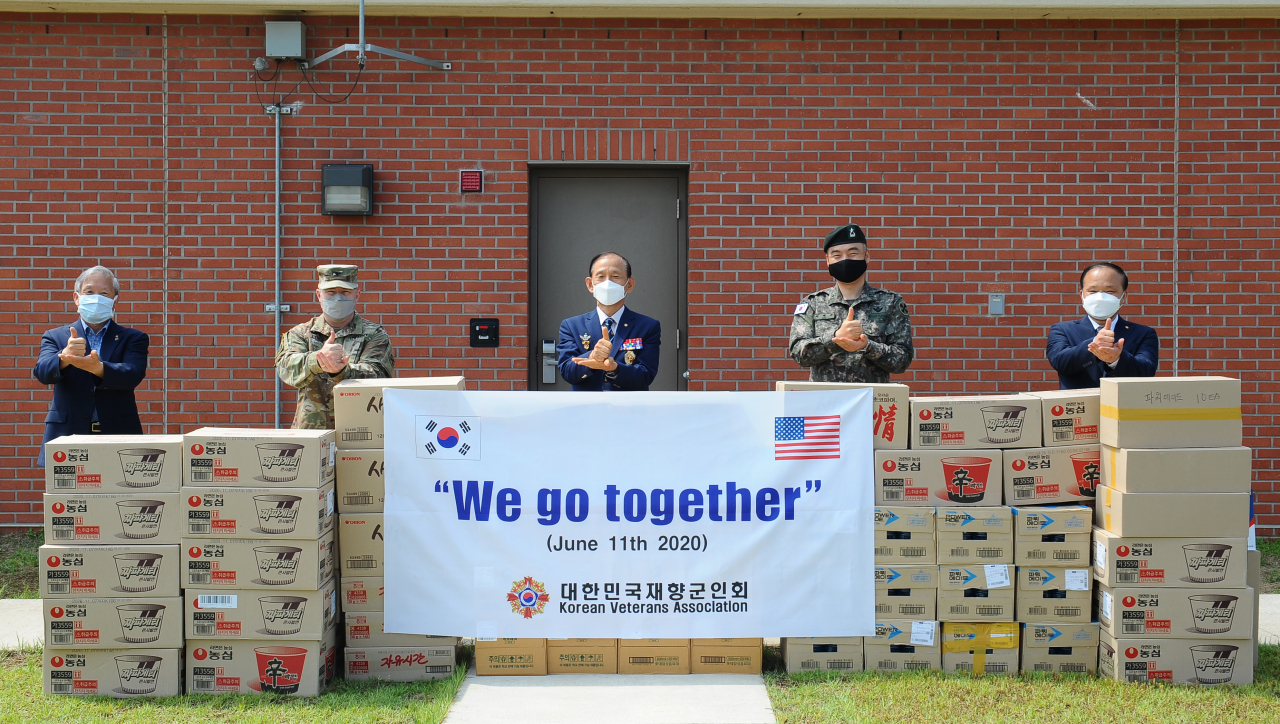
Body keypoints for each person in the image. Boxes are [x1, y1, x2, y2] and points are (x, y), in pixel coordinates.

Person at [33, 266, 149, 466]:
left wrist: (98, 368)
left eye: (104, 293)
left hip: (118, 433)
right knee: (69, 496)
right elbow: (42, 373)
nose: (96, 298)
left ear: (115, 300)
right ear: (77, 298)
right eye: (89, 292)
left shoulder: (133, 338)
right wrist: (65, 357)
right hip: (67, 434)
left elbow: (133, 374)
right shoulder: (56, 336)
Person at [788, 224, 915, 382]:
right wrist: (835, 339)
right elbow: (799, 354)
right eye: (837, 255)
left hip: (871, 401)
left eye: (853, 253)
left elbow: (902, 361)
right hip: (826, 402)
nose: (845, 260)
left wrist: (867, 346)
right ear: (827, 260)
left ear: (866, 256)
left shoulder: (890, 302)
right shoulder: (812, 304)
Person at [276, 264, 394, 428]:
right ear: (319, 295)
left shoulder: (374, 335)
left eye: (345, 292)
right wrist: (317, 361)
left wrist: (341, 371)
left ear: (357, 295)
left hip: (359, 431)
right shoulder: (300, 334)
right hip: (311, 434)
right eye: (330, 292)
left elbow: (379, 377)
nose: (338, 298)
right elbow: (285, 368)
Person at [556, 252, 661, 391]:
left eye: (615, 276)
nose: (607, 283)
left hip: (628, 410)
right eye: (600, 277)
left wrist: (615, 369)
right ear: (590, 284)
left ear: (629, 284)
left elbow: (646, 375)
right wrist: (592, 356)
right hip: (586, 410)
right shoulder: (572, 326)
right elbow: (567, 372)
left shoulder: (647, 326)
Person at [1046, 261, 1159, 389]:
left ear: (1123, 296)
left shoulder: (1144, 333)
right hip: (1079, 406)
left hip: (1124, 407)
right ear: (1082, 295)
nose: (1100, 297)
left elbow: (1146, 371)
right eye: (1093, 291)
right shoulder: (1062, 330)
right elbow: (1061, 362)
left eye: (1110, 291)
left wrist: (1116, 359)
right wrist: (1095, 343)